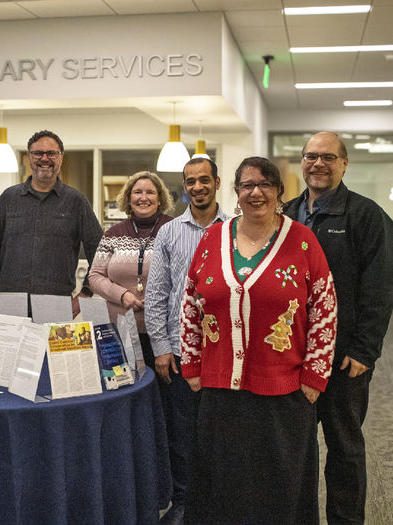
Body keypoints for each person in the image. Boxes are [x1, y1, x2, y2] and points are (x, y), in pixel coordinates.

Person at [180, 157, 337, 524]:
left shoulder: (302, 240)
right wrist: (192, 364)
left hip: (283, 393)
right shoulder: (213, 238)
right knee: (222, 486)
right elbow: (190, 302)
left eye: (265, 184)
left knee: (277, 489)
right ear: (236, 192)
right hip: (219, 391)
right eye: (247, 185)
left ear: (279, 192)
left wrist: (314, 377)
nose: (256, 192)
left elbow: (325, 310)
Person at [284, 131, 393, 524]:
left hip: (344, 358)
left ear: (344, 164)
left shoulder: (367, 216)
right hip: (292, 356)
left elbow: (380, 290)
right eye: (311, 156)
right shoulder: (286, 213)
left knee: (344, 447)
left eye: (328, 157)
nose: (318, 164)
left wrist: (365, 351)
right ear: (302, 162)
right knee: (296, 448)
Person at [144, 157, 230, 524]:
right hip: (180, 352)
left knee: (223, 433)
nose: (197, 187)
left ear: (217, 182)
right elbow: (157, 294)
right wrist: (162, 348)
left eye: (204, 180)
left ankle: (221, 502)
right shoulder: (169, 232)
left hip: (225, 353)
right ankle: (183, 502)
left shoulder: (235, 230)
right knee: (181, 433)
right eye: (190, 181)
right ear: (184, 186)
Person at [0, 130, 103, 317]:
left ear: (61, 158)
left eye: (51, 153)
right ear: (29, 157)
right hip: (8, 302)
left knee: (51, 348)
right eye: (38, 153)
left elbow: (100, 251)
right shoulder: (9, 198)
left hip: (56, 304)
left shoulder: (76, 201)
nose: (44, 158)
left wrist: (85, 294)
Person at [88, 170, 174, 350]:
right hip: (119, 329)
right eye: (137, 192)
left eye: (150, 192)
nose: (144, 197)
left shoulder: (175, 230)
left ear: (160, 199)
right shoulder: (113, 234)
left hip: (165, 331)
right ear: (128, 199)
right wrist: (121, 295)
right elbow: (95, 276)